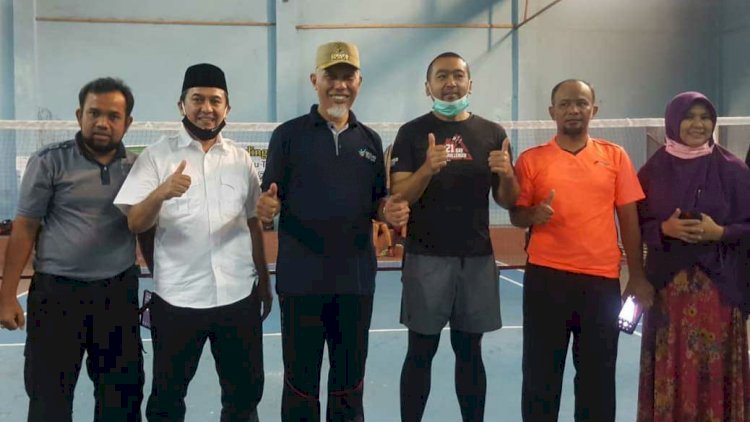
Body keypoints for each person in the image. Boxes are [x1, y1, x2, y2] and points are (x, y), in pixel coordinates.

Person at [256, 41, 410, 422]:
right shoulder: (287, 136)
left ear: (359, 82)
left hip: (354, 283)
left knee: (348, 384)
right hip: (301, 282)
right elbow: (269, 199)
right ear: (315, 80)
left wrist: (387, 210)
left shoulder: (370, 141)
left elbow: (377, 202)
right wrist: (267, 209)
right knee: (300, 385)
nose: (340, 85)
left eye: (348, 77)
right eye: (331, 76)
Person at [114, 63, 272, 421]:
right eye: (197, 99)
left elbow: (252, 223)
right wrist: (161, 193)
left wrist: (264, 282)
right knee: (167, 400)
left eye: (215, 100)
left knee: (245, 396)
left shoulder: (241, 159)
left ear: (227, 108)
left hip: (237, 297)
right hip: (178, 301)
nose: (206, 108)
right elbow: (135, 222)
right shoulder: (157, 156)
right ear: (181, 105)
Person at [0, 77, 143, 421]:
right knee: (49, 398)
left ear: (127, 123)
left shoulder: (138, 167)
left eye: (113, 116)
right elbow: (25, 228)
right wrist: (6, 297)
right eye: (94, 113)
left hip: (117, 295)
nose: (102, 122)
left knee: (121, 399)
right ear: (80, 115)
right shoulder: (49, 161)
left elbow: (148, 228)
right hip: (57, 296)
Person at [510, 79, 653, 422]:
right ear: (552, 112)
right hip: (546, 281)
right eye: (565, 104)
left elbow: (629, 219)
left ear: (594, 109)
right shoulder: (531, 160)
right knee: (540, 377)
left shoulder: (615, 157)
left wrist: (636, 276)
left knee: (597, 380)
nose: (573, 110)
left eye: (581, 103)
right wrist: (533, 215)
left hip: (600, 284)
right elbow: (516, 215)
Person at [388, 51, 518, 422]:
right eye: (442, 76)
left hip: (476, 258)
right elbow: (400, 196)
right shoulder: (411, 133)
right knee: (421, 350)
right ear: (427, 86)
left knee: (470, 350)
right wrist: (427, 170)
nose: (450, 83)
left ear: (469, 84)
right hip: (426, 257)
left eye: (458, 75)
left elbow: (508, 201)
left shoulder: (493, 134)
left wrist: (508, 174)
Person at [636, 91, 750, 421]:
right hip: (667, 294)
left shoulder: (734, 170)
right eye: (689, 117)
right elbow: (635, 223)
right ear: (673, 121)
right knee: (672, 368)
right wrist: (664, 228)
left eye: (705, 117)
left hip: (720, 294)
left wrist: (721, 232)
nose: (698, 124)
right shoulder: (652, 171)